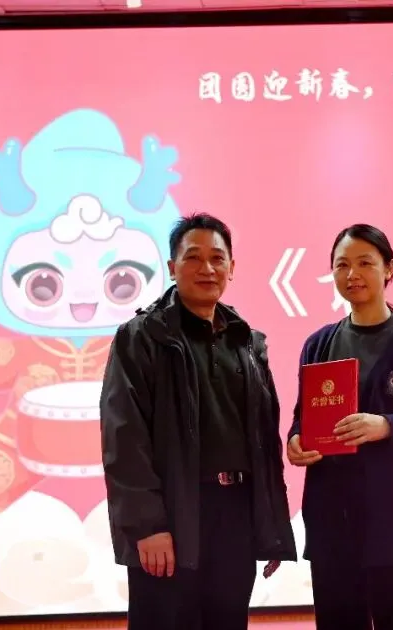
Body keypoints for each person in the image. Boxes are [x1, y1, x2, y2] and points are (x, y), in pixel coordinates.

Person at [100, 213, 297, 630]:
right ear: (172, 267)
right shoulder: (141, 337)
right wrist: (148, 526)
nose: (206, 268)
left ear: (231, 267)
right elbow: (125, 437)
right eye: (193, 257)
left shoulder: (247, 341)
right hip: (173, 516)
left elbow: (264, 442)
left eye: (217, 258)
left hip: (236, 516)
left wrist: (271, 525)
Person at [286, 224, 393, 630]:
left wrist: (387, 426)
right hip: (333, 526)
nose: (353, 274)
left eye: (365, 263)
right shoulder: (318, 344)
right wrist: (295, 440)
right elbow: (302, 416)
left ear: (389, 269)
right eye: (342, 265)